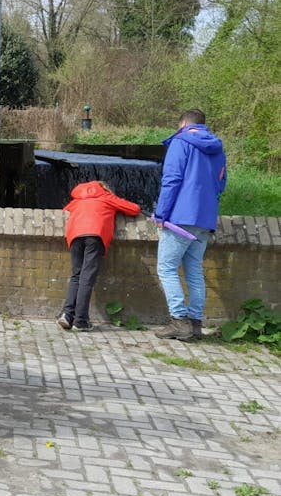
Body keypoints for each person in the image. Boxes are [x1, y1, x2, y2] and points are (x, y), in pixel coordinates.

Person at [153, 109, 227, 341]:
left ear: (183, 123)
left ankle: (179, 321)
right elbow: (221, 183)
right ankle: (195, 323)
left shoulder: (181, 141)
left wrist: (161, 214)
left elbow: (171, 179)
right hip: (205, 218)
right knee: (194, 270)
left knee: (166, 268)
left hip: (181, 217)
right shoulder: (217, 147)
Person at [57, 181, 141, 333]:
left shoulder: (78, 200)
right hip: (95, 235)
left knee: (76, 276)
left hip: (75, 236)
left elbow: (65, 211)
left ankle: (67, 314)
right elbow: (134, 209)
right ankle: (80, 321)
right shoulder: (107, 197)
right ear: (105, 189)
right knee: (87, 278)